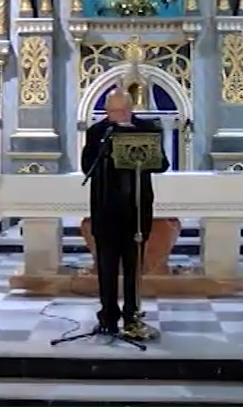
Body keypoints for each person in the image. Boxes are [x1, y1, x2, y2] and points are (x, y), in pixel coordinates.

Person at [80, 90, 169, 335]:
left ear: (131, 108)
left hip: (136, 209)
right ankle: (108, 316)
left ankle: (132, 316)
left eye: (121, 111)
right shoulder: (97, 132)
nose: (116, 115)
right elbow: (87, 166)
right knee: (106, 266)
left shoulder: (147, 129)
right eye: (111, 111)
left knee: (132, 266)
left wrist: (143, 158)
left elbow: (162, 164)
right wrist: (106, 151)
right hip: (106, 207)